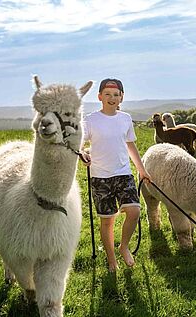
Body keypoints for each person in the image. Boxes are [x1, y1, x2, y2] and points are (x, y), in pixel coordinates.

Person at [81, 78, 151, 272]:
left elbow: (130, 145)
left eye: (116, 94)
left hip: (123, 173)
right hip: (100, 176)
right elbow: (80, 143)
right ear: (100, 97)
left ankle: (124, 246)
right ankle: (111, 258)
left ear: (121, 97)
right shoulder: (90, 120)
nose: (112, 98)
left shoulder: (125, 119)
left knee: (134, 211)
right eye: (107, 94)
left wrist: (142, 170)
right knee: (107, 220)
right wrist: (83, 154)